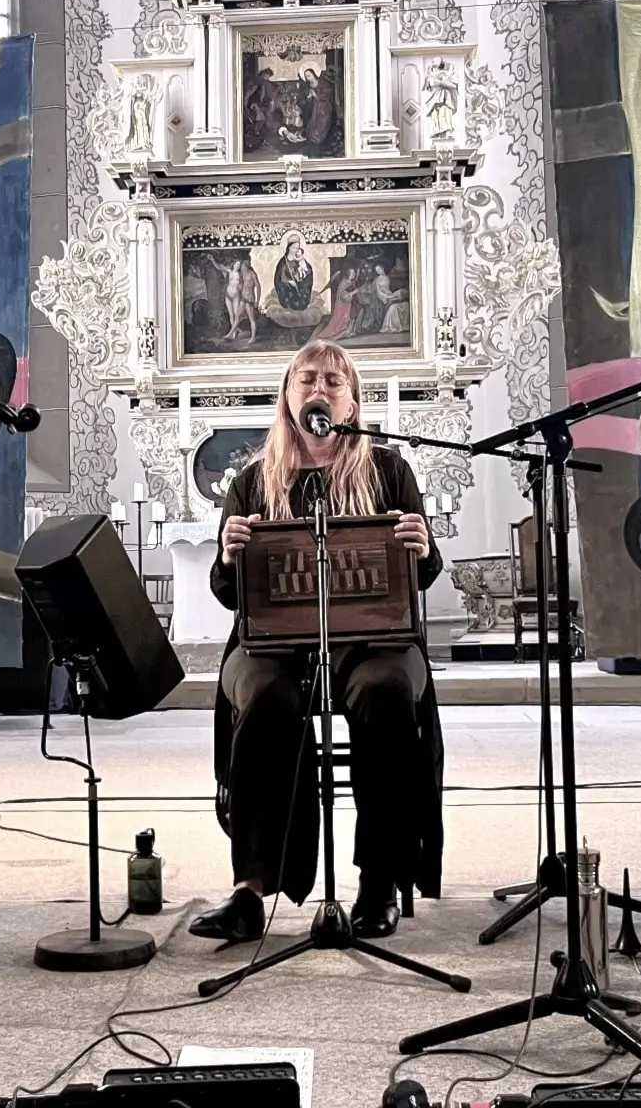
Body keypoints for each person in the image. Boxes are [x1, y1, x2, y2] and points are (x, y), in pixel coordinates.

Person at [187, 340, 446, 944]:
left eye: (334, 380)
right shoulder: (254, 481)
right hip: (273, 645)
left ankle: (380, 880)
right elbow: (229, 594)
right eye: (306, 379)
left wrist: (424, 548)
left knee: (384, 692)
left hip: (376, 642)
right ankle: (252, 889)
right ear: (288, 396)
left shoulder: (389, 472)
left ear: (353, 402)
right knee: (268, 698)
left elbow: (424, 578)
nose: (319, 389)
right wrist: (228, 557)